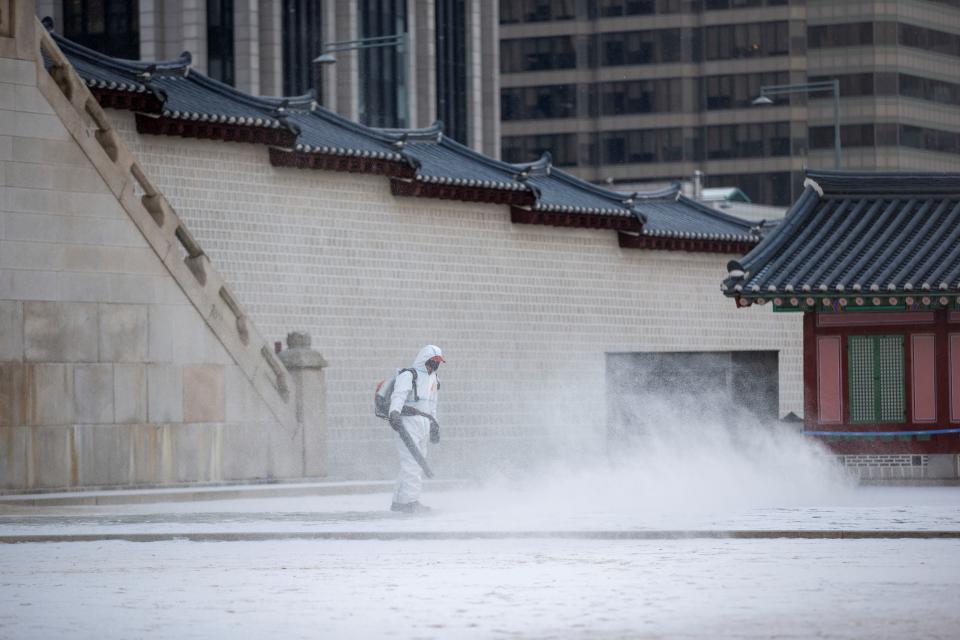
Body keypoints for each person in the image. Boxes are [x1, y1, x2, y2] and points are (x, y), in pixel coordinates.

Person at [388, 345, 444, 513]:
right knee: (412, 463)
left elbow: (432, 404)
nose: (434, 366)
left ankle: (399, 501)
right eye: (432, 362)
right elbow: (398, 395)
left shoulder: (434, 379)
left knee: (415, 464)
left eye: (437, 363)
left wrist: (434, 423)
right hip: (408, 422)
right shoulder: (408, 375)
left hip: (424, 424)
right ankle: (410, 501)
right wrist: (394, 413)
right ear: (424, 360)